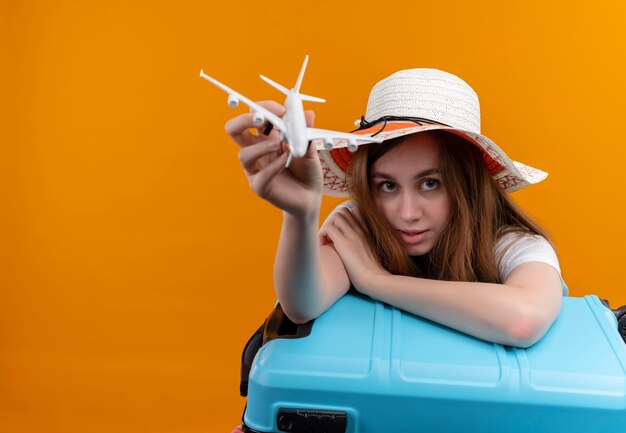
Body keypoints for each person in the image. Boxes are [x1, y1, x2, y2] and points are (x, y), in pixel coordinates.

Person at [226, 68, 565, 350]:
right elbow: (301, 306)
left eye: (430, 183)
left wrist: (376, 281)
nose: (406, 213)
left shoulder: (512, 244)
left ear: (468, 182)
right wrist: (300, 216)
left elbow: (523, 319)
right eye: (388, 185)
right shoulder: (361, 225)